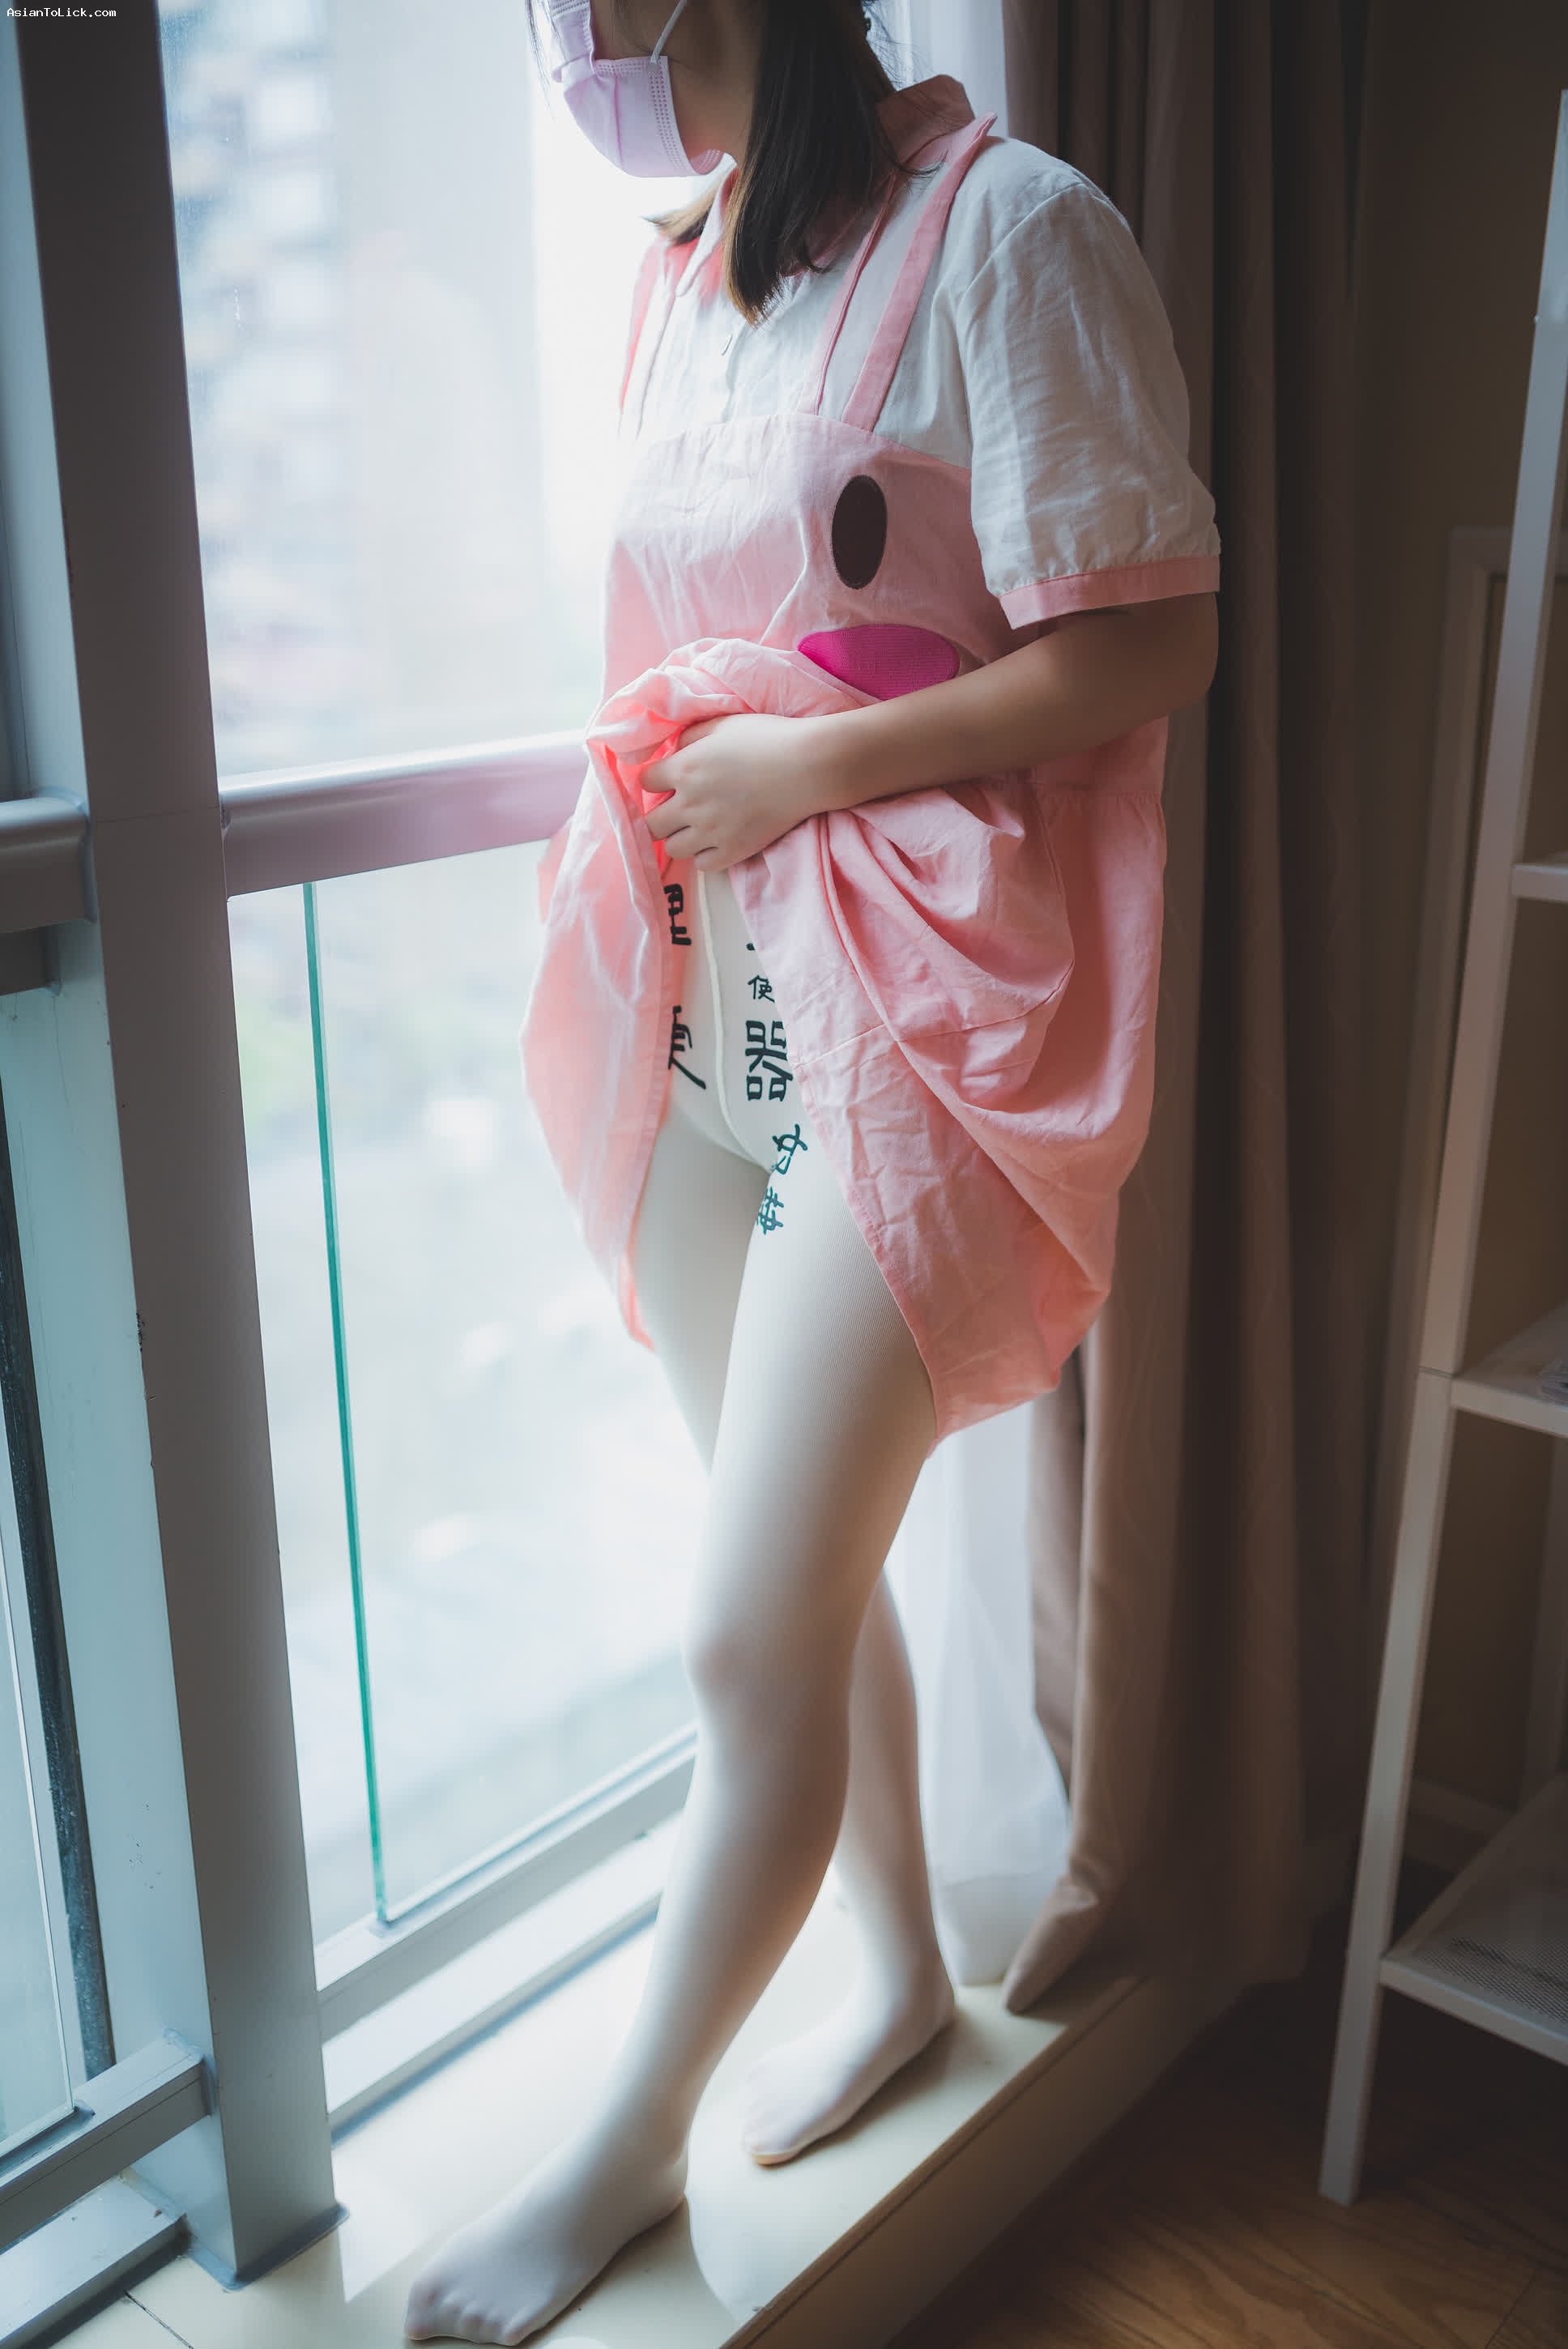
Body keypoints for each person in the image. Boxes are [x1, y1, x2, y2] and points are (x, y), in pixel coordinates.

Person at [406, 3, 1220, 2341]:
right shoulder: (685, 282)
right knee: (804, 1568)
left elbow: (1149, 642)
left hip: (910, 1009)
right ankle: (897, 1974)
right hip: (703, 994)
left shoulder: (1014, 232)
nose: (565, 32)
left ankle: (624, 2155)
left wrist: (812, 765)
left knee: (744, 1625)